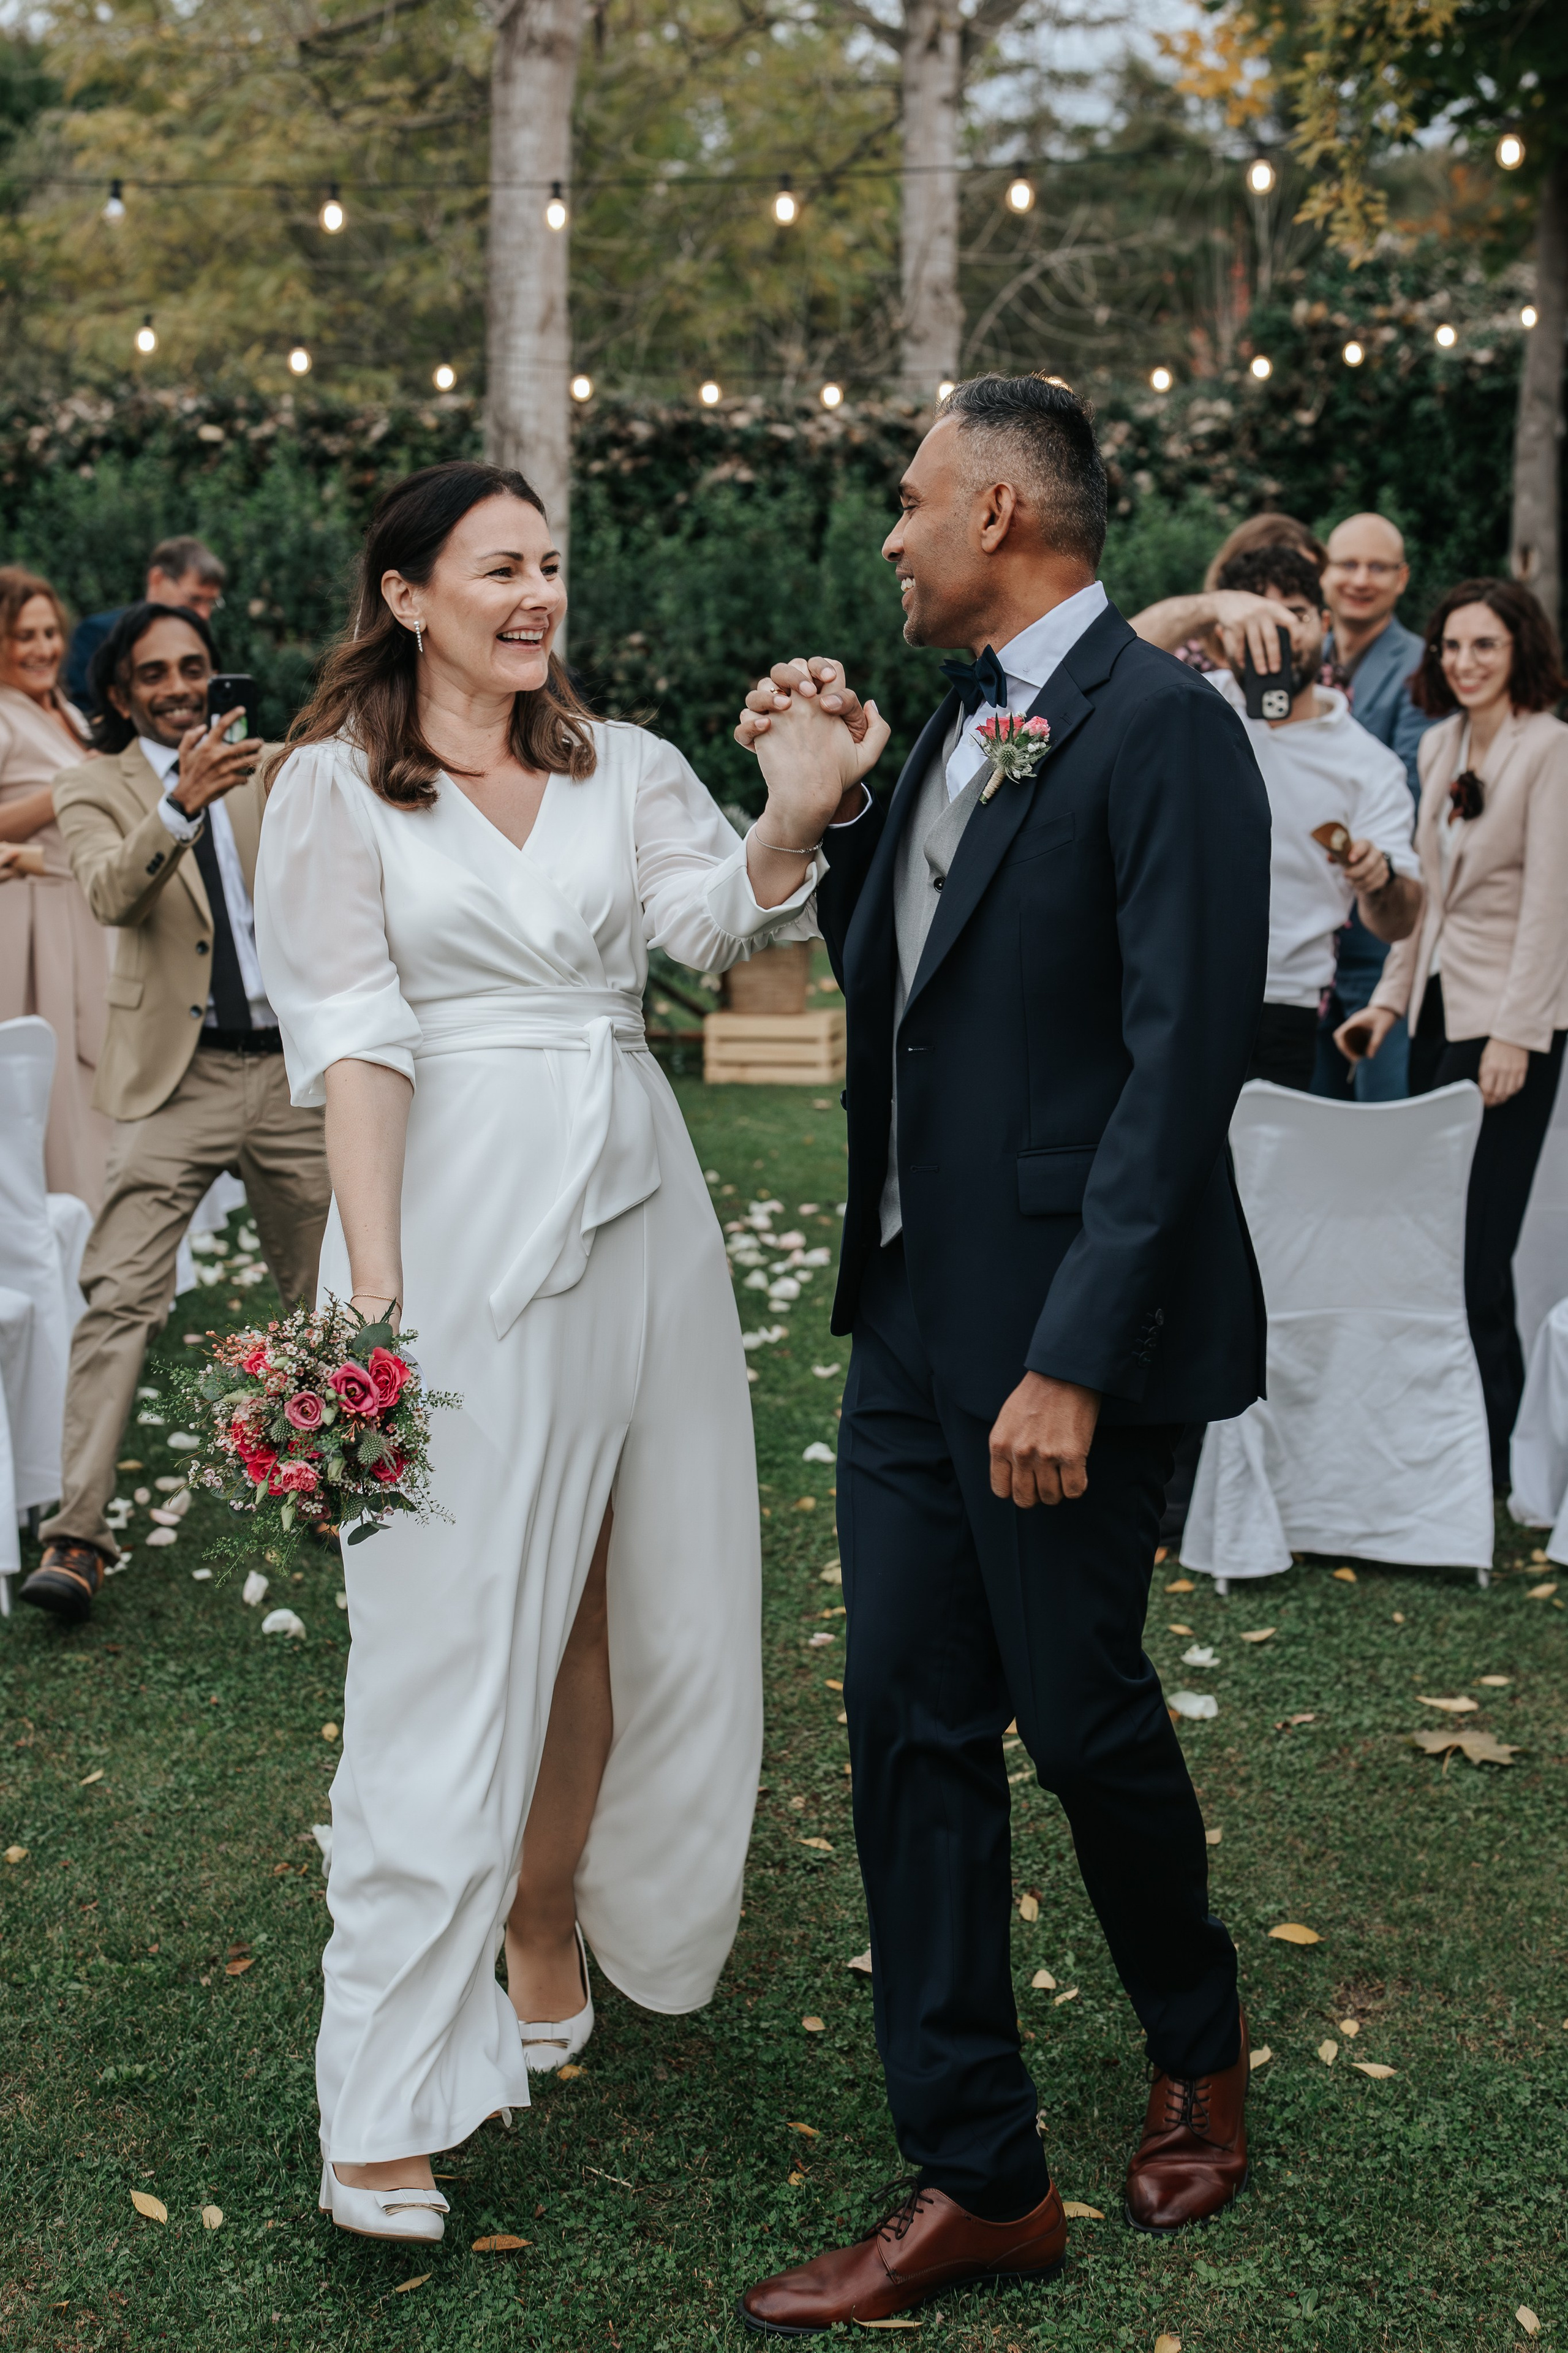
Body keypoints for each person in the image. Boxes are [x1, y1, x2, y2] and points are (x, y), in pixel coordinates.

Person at [251, 461, 870, 2248]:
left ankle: (553, 1921)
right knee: (441, 1645)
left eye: (550, 566)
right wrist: (371, 1292)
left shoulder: (630, 767)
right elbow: (356, 1043)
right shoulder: (329, 795)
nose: (535, 594)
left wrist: (794, 807)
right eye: (496, 567)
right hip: (453, 1225)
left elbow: (707, 924)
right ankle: (379, 2093)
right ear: (402, 594)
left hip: (644, 1220)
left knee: (626, 1596)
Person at [730, 372, 1273, 2333]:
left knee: (1082, 1710)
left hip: (1066, 1343)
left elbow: (1174, 1060)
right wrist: (847, 792)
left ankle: (1195, 2037)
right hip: (905, 1326)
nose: (886, 532)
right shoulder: (965, 717)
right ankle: (979, 2170)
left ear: (1004, 513)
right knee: (905, 1728)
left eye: (907, 498)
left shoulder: (1165, 730)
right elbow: (913, 980)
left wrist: (1073, 1355)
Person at [20, 602, 331, 1623]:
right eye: (155, 673)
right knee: (117, 1297)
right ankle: (78, 1534)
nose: (181, 685)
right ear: (119, 693)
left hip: (291, 1072)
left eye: (195, 666)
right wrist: (177, 807)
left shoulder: (270, 766)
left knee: (327, 1293)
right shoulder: (91, 785)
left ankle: (336, 1482)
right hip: (173, 1078)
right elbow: (110, 894)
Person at [1338, 578, 1568, 1491]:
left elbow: (1553, 905)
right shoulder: (1437, 747)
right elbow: (1422, 900)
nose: (1465, 663)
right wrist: (1386, 1007)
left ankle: (1504, 1455)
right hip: (1436, 1017)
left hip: (1508, 1024)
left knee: (1479, 1248)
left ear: (1521, 655)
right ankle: (1449, 1440)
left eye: (1486, 647)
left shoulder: (1548, 748)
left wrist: (1516, 1034)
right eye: (1452, 647)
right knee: (1438, 1241)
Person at [1201, 545, 1422, 1092]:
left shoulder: (1369, 763)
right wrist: (1205, 607)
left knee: (1265, 1176)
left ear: (1325, 625)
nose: (1273, 631)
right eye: (1253, 613)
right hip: (1169, 990)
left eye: (1294, 614)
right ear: (1224, 633)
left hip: (1282, 1009)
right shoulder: (1189, 707)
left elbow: (1400, 920)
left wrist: (1379, 880)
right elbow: (1089, 675)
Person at [0, 565, 111, 1204]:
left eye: (49, 632)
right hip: (31, 922)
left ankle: (89, 1241)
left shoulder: (64, 708)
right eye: (24, 635)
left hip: (87, 914)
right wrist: (70, 788)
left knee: (91, 1074)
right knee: (48, 1086)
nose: (43, 648)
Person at [1129, 510, 1327, 674]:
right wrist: (1215, 605)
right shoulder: (1191, 663)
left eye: (1309, 574)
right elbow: (1118, 654)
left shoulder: (1325, 673)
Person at [65, 536, 227, 714]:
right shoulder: (99, 633)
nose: (204, 614)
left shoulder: (200, 639)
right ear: (157, 579)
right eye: (194, 599)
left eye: (211, 603)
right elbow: (85, 710)